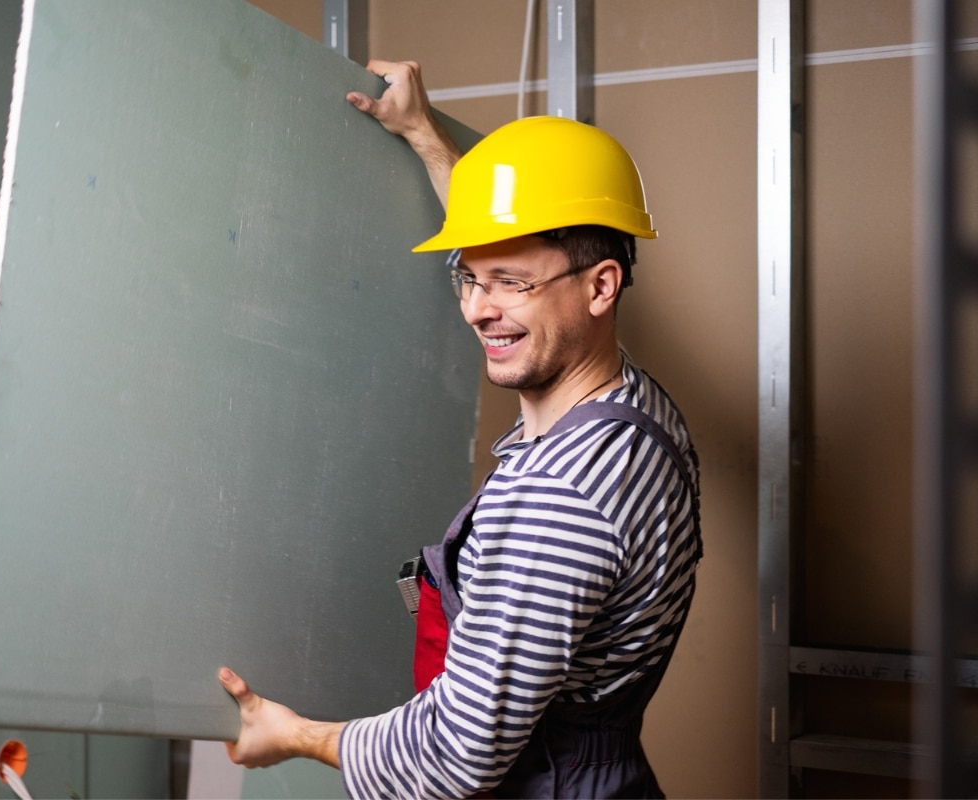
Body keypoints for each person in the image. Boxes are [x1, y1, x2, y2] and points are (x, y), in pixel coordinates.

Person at [217, 59, 702, 799]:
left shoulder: (558, 498)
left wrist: (300, 737)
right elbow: (506, 252)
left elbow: (458, 755)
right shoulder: (634, 413)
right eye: (468, 277)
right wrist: (424, 136)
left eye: (511, 284)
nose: (478, 309)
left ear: (602, 285)